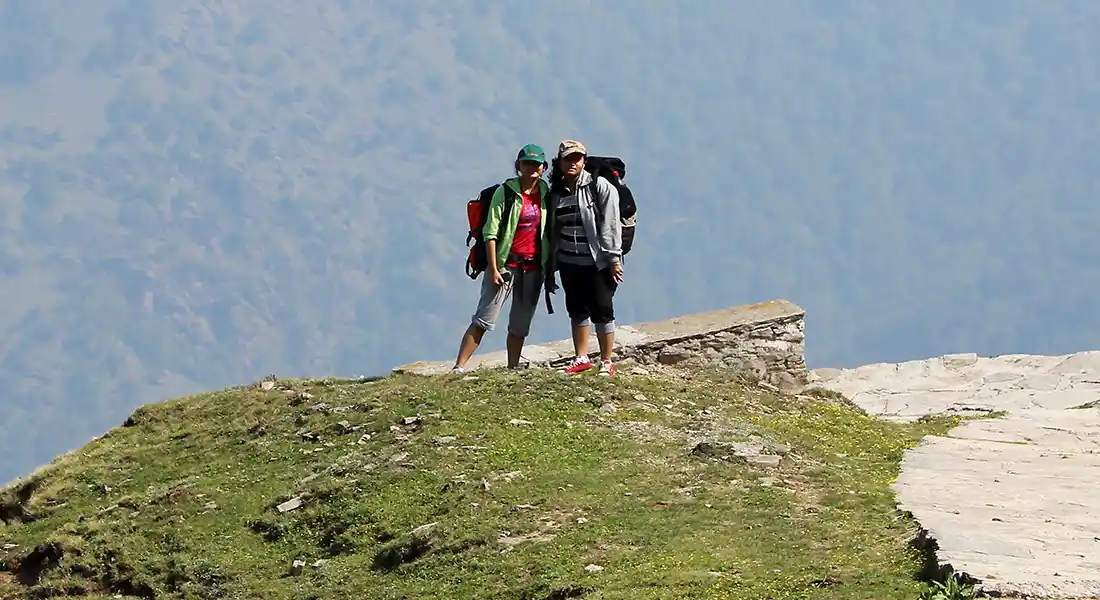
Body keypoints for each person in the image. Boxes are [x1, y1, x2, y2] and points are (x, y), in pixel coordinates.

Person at [453, 144, 552, 372]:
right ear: (519, 166)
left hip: (533, 268)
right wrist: (495, 268)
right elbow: (490, 232)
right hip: (506, 265)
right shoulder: (505, 193)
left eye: (537, 164)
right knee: (484, 319)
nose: (532, 168)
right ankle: (459, 367)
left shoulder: (545, 193)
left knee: (520, 324)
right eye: (527, 163)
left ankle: (513, 367)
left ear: (543, 167)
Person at [546, 140, 624, 377]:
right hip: (570, 262)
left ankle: (607, 361)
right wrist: (551, 268)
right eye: (568, 159)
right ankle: (581, 357)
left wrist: (613, 259)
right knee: (577, 309)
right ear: (559, 162)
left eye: (577, 158)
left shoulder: (598, 186)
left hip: (597, 262)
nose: (572, 163)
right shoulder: (557, 194)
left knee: (602, 308)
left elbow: (610, 224)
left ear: (584, 161)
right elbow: (553, 232)